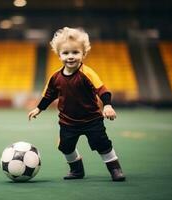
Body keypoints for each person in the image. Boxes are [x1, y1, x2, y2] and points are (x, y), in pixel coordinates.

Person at [28, 27, 125, 181]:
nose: (70, 56)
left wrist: (107, 105)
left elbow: (103, 90)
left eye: (75, 52)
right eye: (66, 53)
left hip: (92, 119)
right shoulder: (55, 77)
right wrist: (39, 108)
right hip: (68, 121)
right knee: (65, 146)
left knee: (102, 144)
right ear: (59, 55)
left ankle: (115, 169)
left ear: (83, 54)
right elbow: (48, 95)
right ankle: (77, 170)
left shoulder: (87, 73)